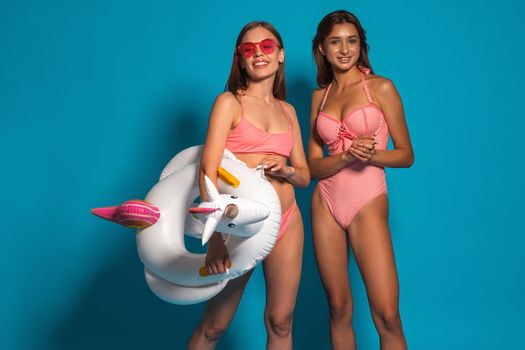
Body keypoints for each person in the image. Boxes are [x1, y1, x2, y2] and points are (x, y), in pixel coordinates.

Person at [188, 21, 310, 350]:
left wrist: (286, 170)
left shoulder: (288, 110)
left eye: (267, 46)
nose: (258, 53)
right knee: (215, 325)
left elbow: (304, 175)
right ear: (240, 59)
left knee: (281, 321)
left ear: (281, 55)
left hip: (288, 221)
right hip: (240, 224)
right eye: (248, 49)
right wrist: (215, 240)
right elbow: (207, 171)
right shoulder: (229, 103)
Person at [308, 10, 414, 350]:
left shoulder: (380, 87)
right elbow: (312, 167)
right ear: (322, 48)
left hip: (367, 198)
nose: (344, 49)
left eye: (351, 41)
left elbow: (406, 155)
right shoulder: (317, 97)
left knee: (387, 316)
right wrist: (346, 156)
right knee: (338, 308)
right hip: (325, 201)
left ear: (360, 45)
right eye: (335, 42)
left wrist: (370, 155)